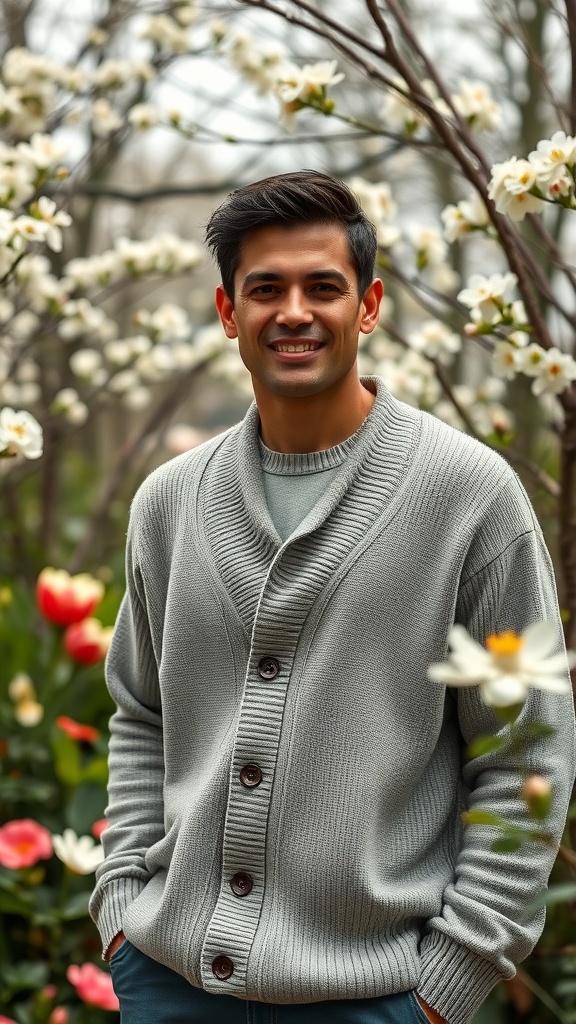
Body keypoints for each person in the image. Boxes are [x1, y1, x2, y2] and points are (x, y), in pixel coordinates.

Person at [90, 170, 576, 1024]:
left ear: (370, 305)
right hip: (168, 984)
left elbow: (528, 750)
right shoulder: (167, 502)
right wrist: (123, 903)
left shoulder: (469, 495)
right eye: (265, 288)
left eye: (324, 286)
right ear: (227, 311)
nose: (294, 312)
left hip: (379, 996)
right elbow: (140, 711)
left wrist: (450, 979)